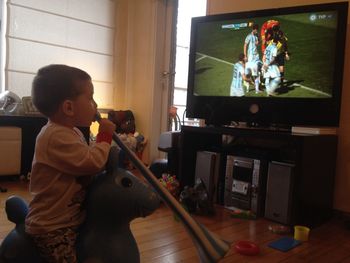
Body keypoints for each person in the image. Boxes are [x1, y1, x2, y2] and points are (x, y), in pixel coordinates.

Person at [25, 64, 116, 263]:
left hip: (70, 217)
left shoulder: (71, 132)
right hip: (52, 226)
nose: (95, 104)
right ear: (68, 107)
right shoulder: (55, 136)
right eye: (90, 97)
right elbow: (92, 162)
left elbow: (85, 157)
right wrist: (105, 136)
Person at [243, 23, 262, 94]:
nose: (257, 31)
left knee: (257, 71)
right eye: (256, 30)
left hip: (256, 56)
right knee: (249, 73)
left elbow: (259, 42)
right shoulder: (249, 36)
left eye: (257, 30)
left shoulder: (256, 36)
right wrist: (245, 56)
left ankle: (257, 88)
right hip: (250, 57)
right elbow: (245, 45)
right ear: (254, 29)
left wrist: (258, 42)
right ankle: (249, 87)